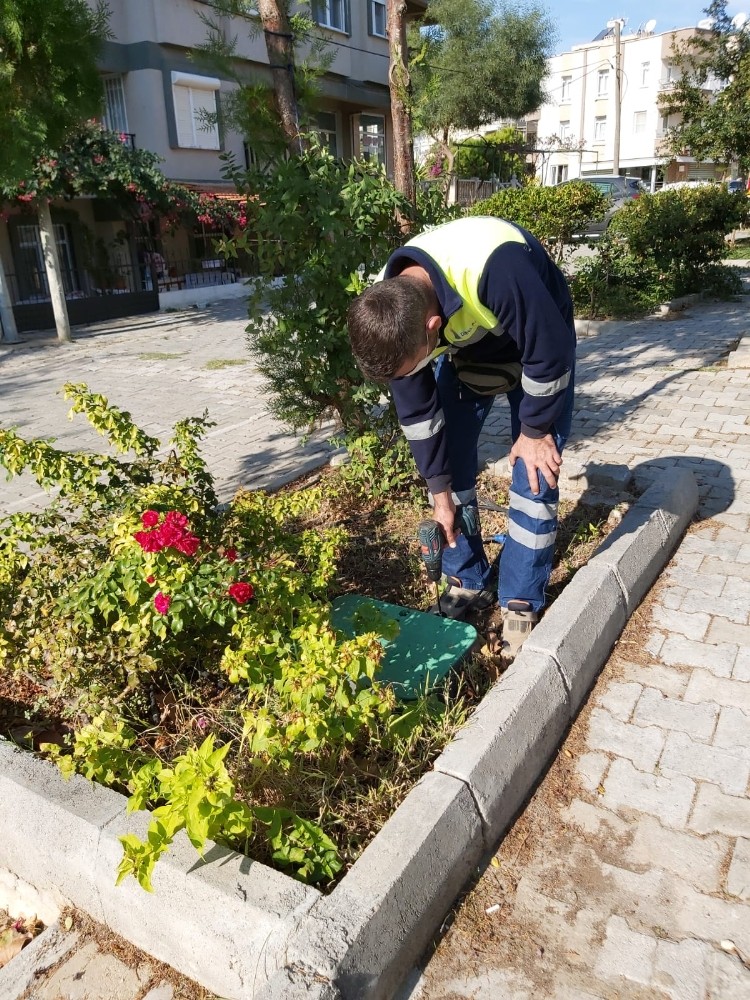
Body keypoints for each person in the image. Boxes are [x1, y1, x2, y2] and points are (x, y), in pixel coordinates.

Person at [347, 215, 576, 664]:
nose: (407, 378)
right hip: (472, 344)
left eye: (411, 366)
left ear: (432, 326)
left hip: (538, 342)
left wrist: (533, 432)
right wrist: (439, 491)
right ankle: (466, 576)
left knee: (534, 473)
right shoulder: (390, 311)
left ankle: (520, 600)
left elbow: (550, 353)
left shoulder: (497, 266)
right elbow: (417, 414)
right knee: (449, 460)